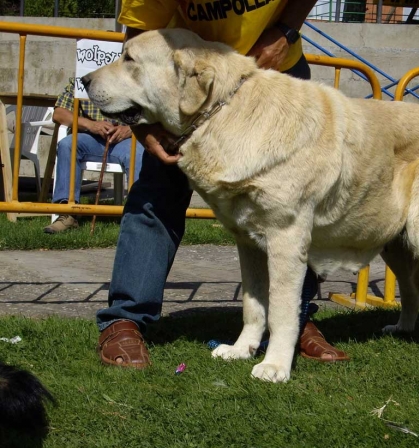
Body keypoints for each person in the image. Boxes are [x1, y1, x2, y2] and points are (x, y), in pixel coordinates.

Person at [96, 0, 349, 368]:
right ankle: (125, 320)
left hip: (272, 63)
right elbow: (138, 43)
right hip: (185, 80)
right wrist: (144, 126)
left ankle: (294, 319)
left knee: (295, 202)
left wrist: (286, 31)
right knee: (159, 192)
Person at [44, 78, 144, 234]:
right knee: (67, 145)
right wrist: (91, 125)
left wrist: (130, 129)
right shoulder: (81, 78)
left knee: (139, 153)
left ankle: (139, 216)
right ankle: (67, 213)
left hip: (124, 139)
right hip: (90, 137)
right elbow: (59, 113)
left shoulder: (134, 78)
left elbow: (153, 114)